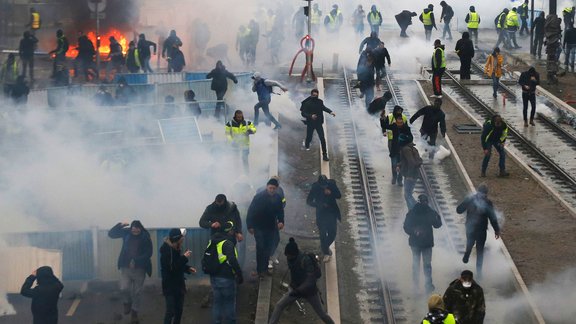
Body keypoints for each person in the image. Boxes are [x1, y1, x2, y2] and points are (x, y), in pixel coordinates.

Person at [268, 238, 335, 324]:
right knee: (279, 305)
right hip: (295, 288)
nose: (287, 257)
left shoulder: (305, 260)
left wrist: (298, 290)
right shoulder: (291, 259)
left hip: (310, 292)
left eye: (288, 255)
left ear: (294, 254)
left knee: (322, 314)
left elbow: (310, 280)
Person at [108, 220, 153, 324]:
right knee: (123, 287)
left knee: (137, 292)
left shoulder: (145, 237)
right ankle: (127, 302)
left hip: (140, 269)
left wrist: (136, 260)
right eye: (133, 228)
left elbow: (149, 253)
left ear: (141, 228)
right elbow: (111, 234)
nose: (135, 230)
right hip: (125, 267)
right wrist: (120, 225)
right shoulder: (126, 233)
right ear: (131, 228)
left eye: (137, 228)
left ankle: (134, 313)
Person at [457, 183, 501, 277]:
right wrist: (496, 230)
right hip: (477, 229)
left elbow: (459, 210)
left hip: (474, 228)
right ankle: (475, 268)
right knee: (477, 248)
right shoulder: (486, 202)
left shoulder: (472, 199)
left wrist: (496, 230)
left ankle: (469, 258)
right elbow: (492, 217)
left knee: (474, 246)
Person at [404, 194, 442, 294]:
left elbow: (406, 227)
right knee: (426, 265)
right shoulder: (429, 212)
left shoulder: (413, 212)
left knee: (419, 265)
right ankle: (427, 285)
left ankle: (419, 286)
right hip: (425, 243)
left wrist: (413, 232)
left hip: (418, 243)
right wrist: (438, 217)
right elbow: (438, 225)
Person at [247, 178, 285, 277]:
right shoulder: (259, 197)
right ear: (267, 187)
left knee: (268, 248)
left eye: (273, 188)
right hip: (259, 226)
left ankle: (265, 268)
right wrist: (250, 225)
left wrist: (281, 221)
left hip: (271, 226)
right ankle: (260, 270)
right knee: (260, 248)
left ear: (276, 189)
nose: (271, 190)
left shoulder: (278, 198)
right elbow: (251, 211)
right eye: (270, 188)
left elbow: (280, 211)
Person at [209, 221, 244, 324]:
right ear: (230, 231)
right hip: (226, 278)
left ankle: (216, 322)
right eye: (233, 231)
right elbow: (232, 260)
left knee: (217, 303)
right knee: (229, 303)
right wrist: (239, 274)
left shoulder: (213, 241)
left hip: (214, 277)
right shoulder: (227, 243)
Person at [160, 228, 196, 324]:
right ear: (177, 239)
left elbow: (178, 264)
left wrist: (187, 269)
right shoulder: (167, 251)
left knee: (178, 311)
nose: (182, 240)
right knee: (170, 311)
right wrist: (184, 257)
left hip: (178, 285)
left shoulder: (175, 248)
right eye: (181, 238)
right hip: (170, 286)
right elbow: (172, 267)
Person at [307, 175, 342, 262]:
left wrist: (331, 193)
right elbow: (309, 201)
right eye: (323, 186)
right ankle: (326, 252)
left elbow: (339, 195)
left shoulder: (332, 184)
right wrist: (319, 205)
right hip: (321, 214)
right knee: (322, 234)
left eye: (325, 186)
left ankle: (324, 247)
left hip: (332, 213)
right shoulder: (315, 187)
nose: (324, 187)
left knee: (332, 233)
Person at [300, 88, 336, 161]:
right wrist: (311, 116)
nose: (315, 96)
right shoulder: (307, 103)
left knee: (322, 139)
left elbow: (323, 108)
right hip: (310, 124)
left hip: (318, 123)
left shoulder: (320, 102)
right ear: (311, 95)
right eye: (313, 95)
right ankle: (307, 145)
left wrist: (330, 112)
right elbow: (303, 113)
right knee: (309, 137)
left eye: (316, 95)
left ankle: (325, 155)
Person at [381, 109, 412, 185]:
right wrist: (382, 118)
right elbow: (385, 126)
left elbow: (411, 137)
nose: (399, 124)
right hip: (394, 149)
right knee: (394, 164)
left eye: (401, 122)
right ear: (396, 122)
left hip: (402, 150)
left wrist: (405, 139)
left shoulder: (406, 128)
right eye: (398, 122)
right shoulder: (394, 126)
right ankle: (394, 177)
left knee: (401, 164)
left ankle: (400, 179)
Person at [397, 134, 422, 209]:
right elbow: (407, 161)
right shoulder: (411, 148)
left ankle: (414, 210)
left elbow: (411, 162)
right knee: (408, 194)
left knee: (407, 195)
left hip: (411, 175)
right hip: (413, 174)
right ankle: (414, 210)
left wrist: (409, 175)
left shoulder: (406, 149)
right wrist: (399, 165)